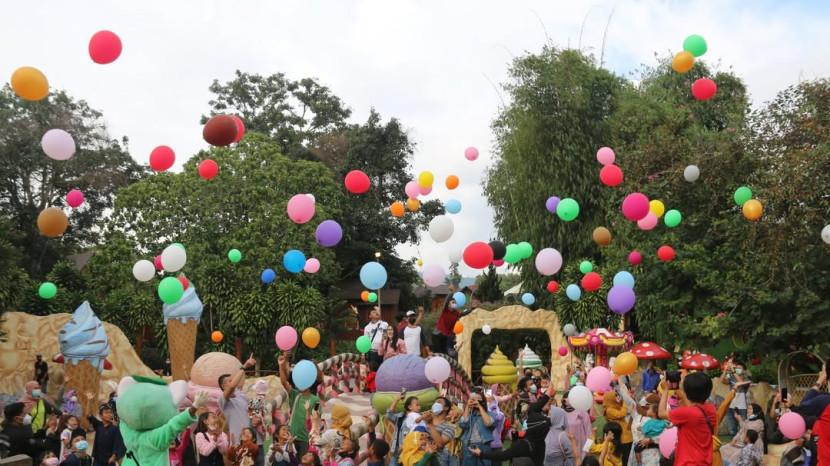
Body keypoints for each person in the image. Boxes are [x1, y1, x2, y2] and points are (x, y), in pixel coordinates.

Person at [658, 372, 716, 466]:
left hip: (687, 463)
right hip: (704, 462)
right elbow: (693, 407)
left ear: (686, 392)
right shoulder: (711, 409)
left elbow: (661, 413)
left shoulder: (686, 413)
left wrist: (666, 390)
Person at [278, 352, 322, 457]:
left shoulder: (316, 400)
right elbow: (284, 382)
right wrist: (280, 365)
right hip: (292, 438)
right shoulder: (295, 395)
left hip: (306, 439)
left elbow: (316, 417)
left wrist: (308, 411)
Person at [219, 354, 257, 444]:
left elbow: (252, 411)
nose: (234, 382)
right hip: (237, 442)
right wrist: (245, 366)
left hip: (252, 440)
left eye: (233, 380)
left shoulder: (241, 395)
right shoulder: (222, 399)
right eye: (230, 381)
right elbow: (232, 386)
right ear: (223, 386)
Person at [459, 390, 495, 466]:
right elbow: (463, 424)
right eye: (472, 399)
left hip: (483, 445)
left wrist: (479, 406)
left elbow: (488, 423)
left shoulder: (490, 414)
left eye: (476, 399)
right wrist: (467, 407)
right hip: (468, 445)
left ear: (482, 402)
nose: (474, 402)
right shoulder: (469, 414)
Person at [387, 392, 422, 465]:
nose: (419, 407)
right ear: (409, 407)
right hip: (396, 450)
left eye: (420, 405)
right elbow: (389, 415)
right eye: (417, 405)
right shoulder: (401, 416)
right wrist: (396, 400)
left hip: (408, 452)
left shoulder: (419, 418)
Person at [86, 402, 125, 466]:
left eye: (110, 412)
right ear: (100, 416)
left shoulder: (115, 428)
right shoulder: (98, 425)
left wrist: (114, 456)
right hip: (98, 459)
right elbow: (88, 415)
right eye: (106, 412)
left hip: (109, 460)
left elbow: (117, 443)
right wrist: (89, 401)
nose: (109, 414)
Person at [721, 361, 752, 437]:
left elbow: (740, 382)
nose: (737, 369)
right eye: (736, 368)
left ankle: (743, 441)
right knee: (732, 429)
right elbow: (722, 380)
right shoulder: (731, 376)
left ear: (744, 370)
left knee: (743, 426)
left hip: (742, 406)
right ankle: (733, 442)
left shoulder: (747, 378)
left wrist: (733, 371)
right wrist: (725, 370)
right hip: (731, 405)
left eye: (739, 368)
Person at [603, 391, 633, 466]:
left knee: (629, 456)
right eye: (615, 396)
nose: (617, 398)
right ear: (610, 398)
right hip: (621, 437)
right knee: (624, 458)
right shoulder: (609, 410)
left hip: (626, 434)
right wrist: (625, 403)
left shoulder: (617, 406)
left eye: (617, 396)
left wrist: (625, 399)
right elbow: (621, 414)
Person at [422, 400, 455, 466]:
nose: (435, 404)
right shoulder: (423, 421)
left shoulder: (449, 427)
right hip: (421, 459)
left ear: (446, 408)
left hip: (437, 461)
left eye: (439, 402)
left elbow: (440, 445)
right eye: (435, 402)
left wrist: (430, 425)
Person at [563, 392, 593, 463]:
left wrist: (587, 450)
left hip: (581, 449)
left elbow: (589, 433)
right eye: (565, 399)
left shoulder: (582, 412)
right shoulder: (560, 412)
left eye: (569, 398)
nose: (566, 400)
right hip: (565, 450)